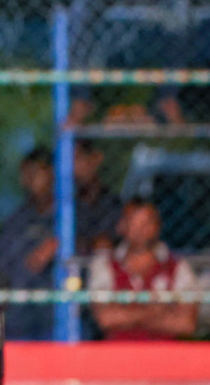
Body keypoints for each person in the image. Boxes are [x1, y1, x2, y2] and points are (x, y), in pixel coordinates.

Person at [87, 199, 197, 340]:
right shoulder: (104, 265)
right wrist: (155, 312)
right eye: (134, 223)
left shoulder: (178, 267)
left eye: (146, 223)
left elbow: (185, 324)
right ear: (121, 226)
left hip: (165, 356)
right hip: (118, 356)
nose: (140, 230)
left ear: (158, 226)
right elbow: (106, 319)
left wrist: (127, 315)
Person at [0, 149, 57, 340]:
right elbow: (5, 271)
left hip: (58, 315)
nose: (29, 180)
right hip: (20, 317)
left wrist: (59, 245)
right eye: (25, 173)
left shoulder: (73, 217)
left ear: (54, 174)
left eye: (36, 172)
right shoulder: (16, 220)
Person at [74, 138, 123, 252]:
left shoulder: (114, 205)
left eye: (77, 159)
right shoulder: (59, 205)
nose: (72, 167)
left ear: (96, 158)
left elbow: (104, 245)